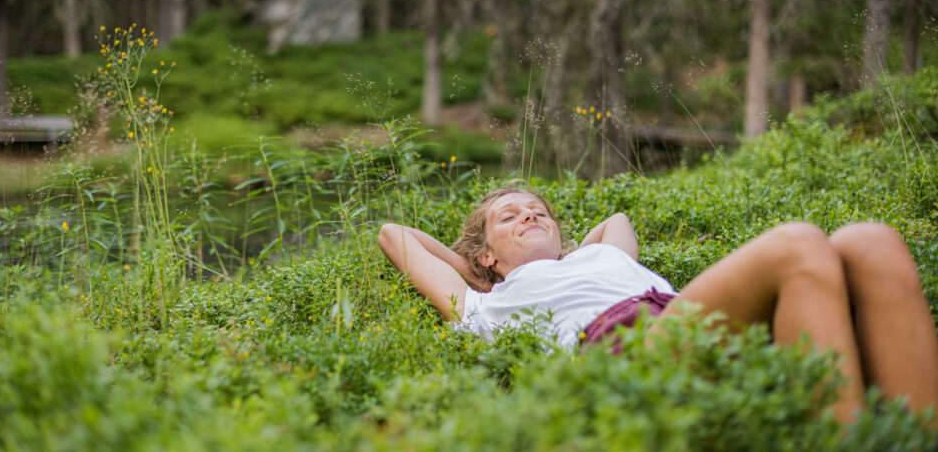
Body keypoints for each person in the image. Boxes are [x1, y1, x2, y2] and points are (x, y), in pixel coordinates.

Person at [377, 187, 938, 423]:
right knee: (796, 245)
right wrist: (477, 270)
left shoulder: (603, 258)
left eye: (539, 211)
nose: (531, 216)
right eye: (511, 216)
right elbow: (393, 234)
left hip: (682, 319)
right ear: (488, 255)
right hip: (621, 353)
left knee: (872, 241)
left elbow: (615, 222)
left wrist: (562, 252)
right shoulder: (485, 303)